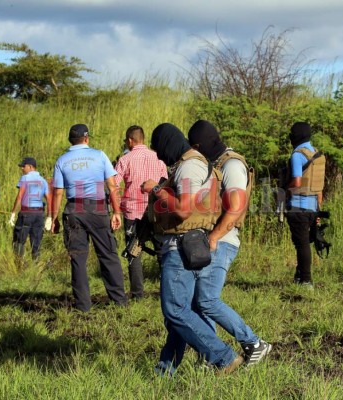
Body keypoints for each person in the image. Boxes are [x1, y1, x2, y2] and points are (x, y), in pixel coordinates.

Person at [141, 123, 244, 376]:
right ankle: (165, 371)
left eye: (159, 149)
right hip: (185, 245)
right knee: (178, 314)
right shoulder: (190, 164)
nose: (160, 156)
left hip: (180, 247)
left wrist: (155, 189)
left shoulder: (189, 166)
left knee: (175, 310)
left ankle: (223, 356)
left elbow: (184, 209)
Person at [188, 119, 272, 365]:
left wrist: (213, 237)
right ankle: (211, 356)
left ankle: (254, 343)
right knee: (199, 301)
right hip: (213, 239)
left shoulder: (232, 164)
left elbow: (235, 207)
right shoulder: (216, 162)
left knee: (207, 300)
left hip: (222, 240)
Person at [50, 123, 128, 312]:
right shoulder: (99, 155)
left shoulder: (62, 160)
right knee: (108, 254)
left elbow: (58, 192)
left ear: (71, 140)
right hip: (98, 208)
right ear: (87, 138)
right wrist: (117, 211)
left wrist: (53, 218)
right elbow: (112, 186)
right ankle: (119, 302)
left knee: (78, 258)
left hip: (74, 209)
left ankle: (83, 306)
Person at [114, 125, 167, 299]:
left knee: (133, 251)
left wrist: (115, 209)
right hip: (155, 212)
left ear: (130, 140)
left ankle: (137, 294)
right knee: (161, 250)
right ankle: (167, 291)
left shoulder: (125, 159)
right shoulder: (158, 159)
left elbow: (114, 185)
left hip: (133, 213)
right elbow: (165, 183)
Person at [285, 122, 325, 288]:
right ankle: (299, 276)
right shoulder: (317, 155)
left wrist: (283, 191)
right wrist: (318, 211)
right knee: (303, 243)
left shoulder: (297, 155)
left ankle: (306, 282)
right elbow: (319, 188)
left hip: (298, 206)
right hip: (312, 206)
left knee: (301, 245)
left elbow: (297, 181)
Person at [8, 157, 52, 260]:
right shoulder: (43, 181)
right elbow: (49, 200)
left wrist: (13, 213)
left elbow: (19, 196)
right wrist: (49, 217)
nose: (22, 168)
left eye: (24, 166)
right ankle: (36, 266)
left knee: (19, 239)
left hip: (26, 213)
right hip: (39, 214)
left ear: (31, 167)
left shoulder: (25, 178)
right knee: (36, 241)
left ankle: (18, 265)